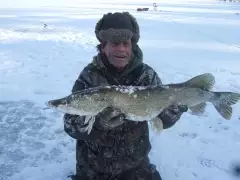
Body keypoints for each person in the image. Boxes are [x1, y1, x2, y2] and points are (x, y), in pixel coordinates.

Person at [63, 12, 188, 180]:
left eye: (125, 43)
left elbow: (161, 120)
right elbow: (71, 126)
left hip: (136, 166)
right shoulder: (89, 77)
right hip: (94, 167)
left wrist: (171, 114)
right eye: (114, 43)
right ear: (103, 46)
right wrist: (99, 123)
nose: (121, 49)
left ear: (132, 46)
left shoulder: (146, 76)